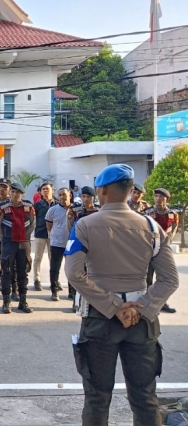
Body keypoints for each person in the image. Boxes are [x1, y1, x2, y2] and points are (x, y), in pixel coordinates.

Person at [64, 164, 178, 426]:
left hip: (99, 319)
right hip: (142, 321)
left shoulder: (85, 225)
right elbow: (170, 279)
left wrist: (114, 306)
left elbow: (74, 274)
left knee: (97, 398)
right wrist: (140, 308)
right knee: (145, 397)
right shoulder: (151, 226)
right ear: (129, 191)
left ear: (102, 190)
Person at [0, 182, 35, 314]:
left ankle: (23, 302)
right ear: (9, 193)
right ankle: (6, 302)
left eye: (17, 192)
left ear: (22, 194)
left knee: (23, 273)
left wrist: (25, 237)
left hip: (24, 244)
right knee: (6, 272)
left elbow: (32, 225)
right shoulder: (2, 208)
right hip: (9, 244)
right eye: (12, 192)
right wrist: (6, 239)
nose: (14, 194)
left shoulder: (29, 207)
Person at [143, 187, 179, 314]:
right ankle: (147, 303)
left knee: (164, 278)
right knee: (147, 277)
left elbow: (174, 228)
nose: (158, 199)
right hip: (149, 248)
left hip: (163, 249)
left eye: (161, 197)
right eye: (156, 196)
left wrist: (168, 241)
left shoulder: (173, 214)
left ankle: (161, 303)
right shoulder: (147, 212)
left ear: (166, 199)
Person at [66, 186, 99, 303]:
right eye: (83, 196)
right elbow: (70, 227)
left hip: (95, 246)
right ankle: (76, 300)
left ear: (93, 198)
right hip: (79, 245)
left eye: (88, 197)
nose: (85, 199)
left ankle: (91, 300)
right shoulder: (74, 211)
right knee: (77, 272)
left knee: (93, 274)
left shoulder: (99, 211)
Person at [45, 187, 72, 301]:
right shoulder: (53, 210)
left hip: (71, 243)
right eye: (60, 195)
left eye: (64, 194)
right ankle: (54, 291)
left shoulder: (75, 209)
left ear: (69, 195)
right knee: (55, 268)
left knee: (72, 269)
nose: (62, 197)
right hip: (56, 243)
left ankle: (72, 292)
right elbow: (49, 225)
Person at [32, 182, 56, 291]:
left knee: (53, 258)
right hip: (40, 233)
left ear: (52, 190)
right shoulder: (37, 205)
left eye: (47, 189)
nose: (45, 191)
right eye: (43, 189)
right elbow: (33, 220)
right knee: (38, 257)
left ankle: (54, 281)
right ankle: (36, 280)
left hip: (54, 235)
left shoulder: (57, 204)